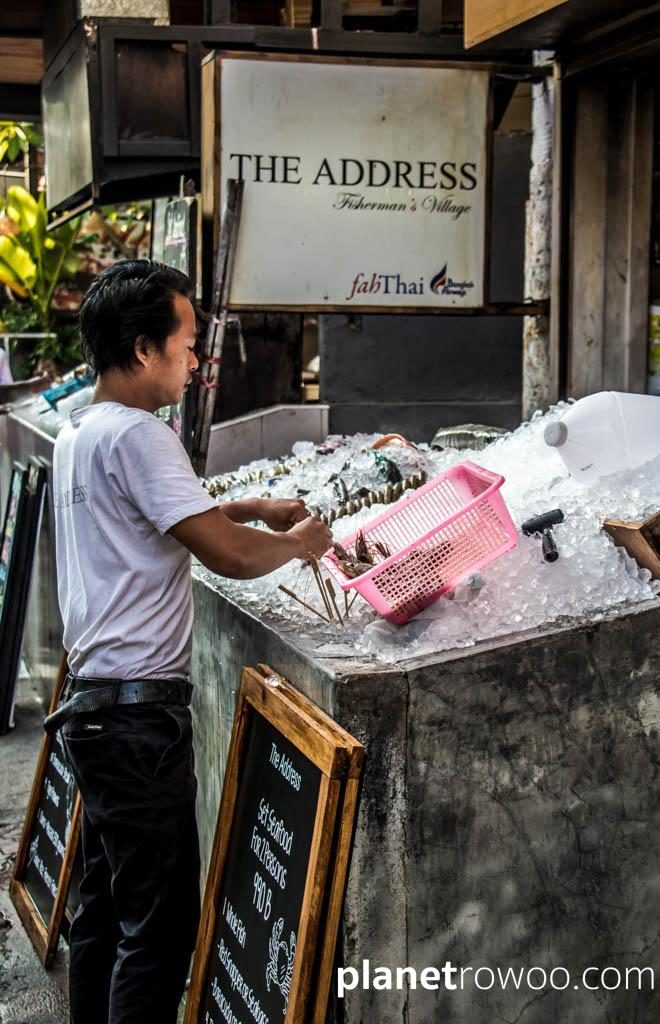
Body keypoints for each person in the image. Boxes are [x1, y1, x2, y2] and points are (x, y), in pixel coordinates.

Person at [49, 259, 332, 1024]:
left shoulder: (80, 430)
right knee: (161, 932)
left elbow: (157, 519)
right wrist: (302, 540)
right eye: (186, 344)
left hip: (97, 712)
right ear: (143, 349)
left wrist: (249, 504)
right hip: (138, 725)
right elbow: (228, 557)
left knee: (107, 913)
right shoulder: (141, 435)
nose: (195, 361)